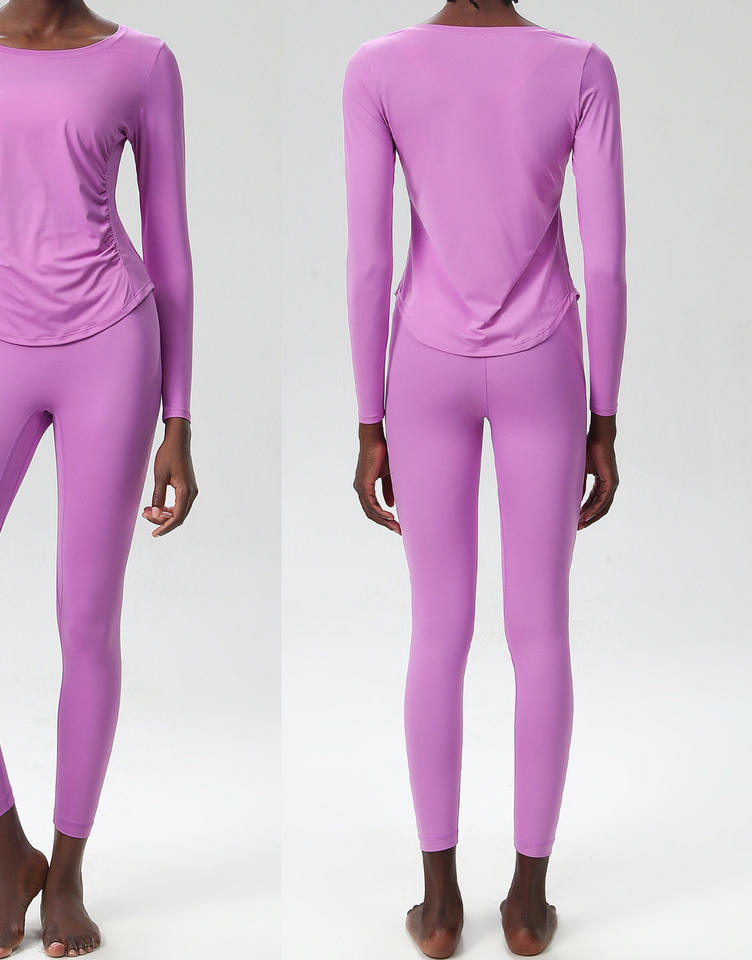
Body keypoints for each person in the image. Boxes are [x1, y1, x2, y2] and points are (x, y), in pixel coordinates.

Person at [0, 3, 197, 956]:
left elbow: (171, 245)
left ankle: (66, 869)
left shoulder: (142, 63)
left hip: (114, 349)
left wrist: (179, 418)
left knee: (85, 620)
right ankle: (9, 853)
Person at [342, 0, 625, 955]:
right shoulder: (581, 67)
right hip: (545, 361)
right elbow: (608, 265)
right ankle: (529, 903)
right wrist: (605, 416)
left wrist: (369, 417)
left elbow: (369, 259)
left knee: (438, 630)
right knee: (540, 632)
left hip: (424, 365)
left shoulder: (378, 68)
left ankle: (437, 904)